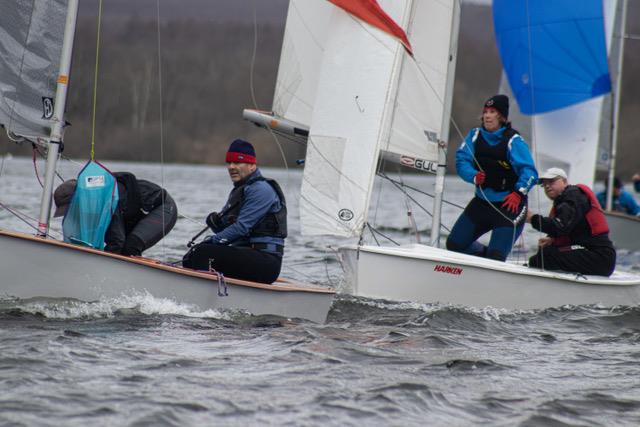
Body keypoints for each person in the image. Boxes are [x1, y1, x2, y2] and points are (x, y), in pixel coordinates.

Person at [446, 94, 538, 261]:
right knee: (454, 245)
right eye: (486, 111)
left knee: (495, 257)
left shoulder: (513, 141)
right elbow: (461, 161)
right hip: (482, 203)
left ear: (501, 117)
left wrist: (518, 193)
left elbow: (530, 172)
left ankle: (493, 260)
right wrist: (473, 176)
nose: (487, 115)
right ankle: (481, 259)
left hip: (510, 207)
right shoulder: (474, 135)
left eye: (492, 112)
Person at [182, 139, 287, 284]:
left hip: (266, 261)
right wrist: (216, 224)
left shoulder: (261, 189)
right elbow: (229, 230)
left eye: (237, 162)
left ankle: (201, 297)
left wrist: (211, 241)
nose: (231, 167)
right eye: (229, 162)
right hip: (247, 254)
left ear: (252, 165)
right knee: (191, 257)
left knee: (202, 253)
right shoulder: (241, 189)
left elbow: (242, 228)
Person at [54, 172, 177, 256]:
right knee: (122, 249)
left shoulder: (105, 198)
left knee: (130, 246)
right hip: (138, 212)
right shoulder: (92, 200)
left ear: (78, 200)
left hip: (162, 207)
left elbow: (116, 241)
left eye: (70, 208)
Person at [526, 167, 616, 276]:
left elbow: (560, 227)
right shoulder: (567, 199)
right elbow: (573, 228)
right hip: (594, 255)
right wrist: (552, 239)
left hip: (599, 258)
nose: (547, 186)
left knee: (545, 257)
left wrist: (532, 218)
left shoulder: (573, 196)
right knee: (544, 252)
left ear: (564, 182)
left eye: (551, 181)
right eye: (544, 184)